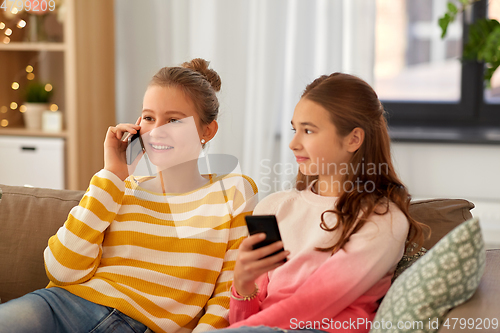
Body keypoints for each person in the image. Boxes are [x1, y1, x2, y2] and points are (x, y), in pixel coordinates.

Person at [0, 58, 258, 333]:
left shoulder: (232, 192)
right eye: (149, 118)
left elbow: (227, 294)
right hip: (62, 307)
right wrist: (112, 173)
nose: (157, 130)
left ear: (207, 131)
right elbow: (62, 270)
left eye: (173, 120)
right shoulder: (118, 187)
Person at [217, 73, 427, 333]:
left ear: (353, 139)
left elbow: (311, 305)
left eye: (308, 130)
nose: (293, 143)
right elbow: (240, 323)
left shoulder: (382, 219)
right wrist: (243, 285)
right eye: (295, 129)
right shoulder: (272, 207)